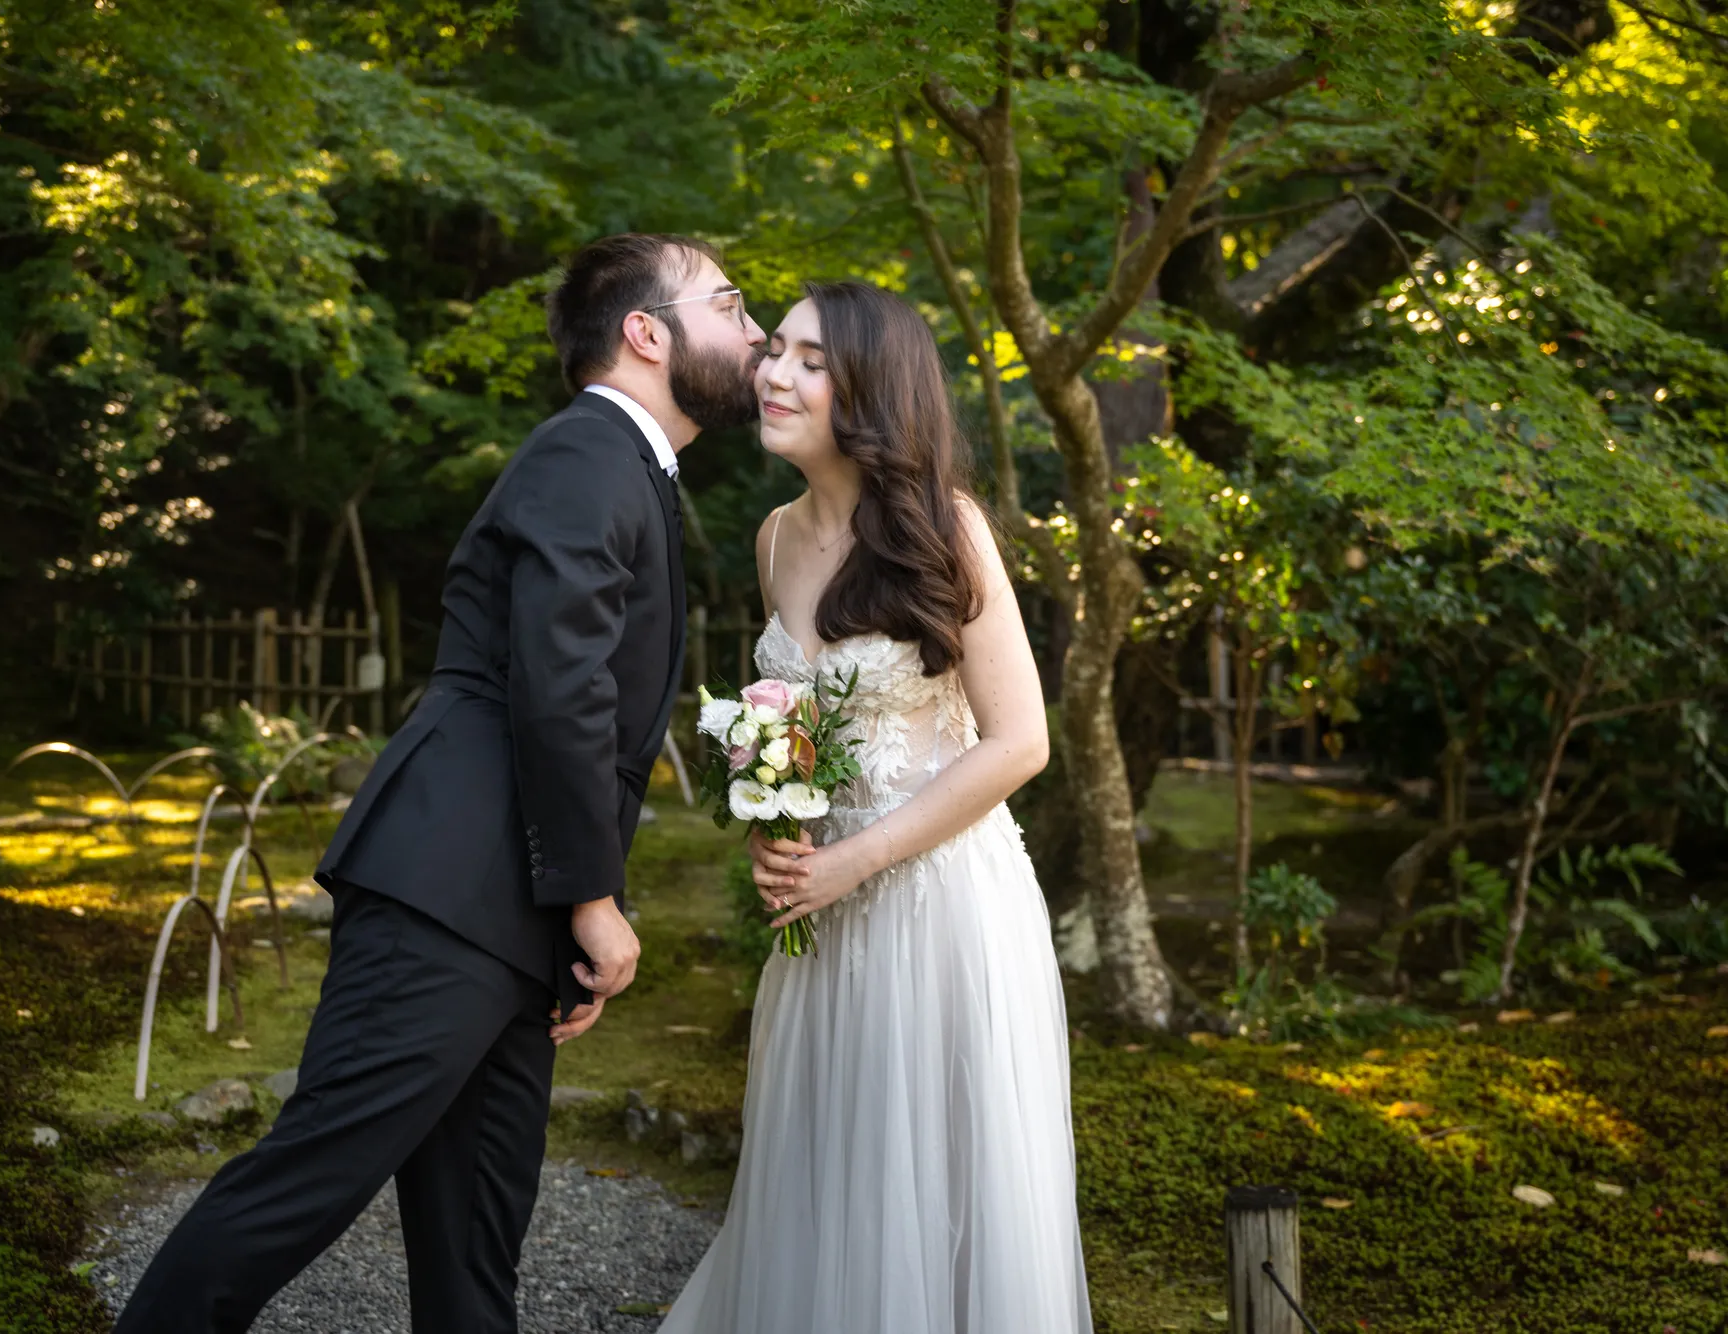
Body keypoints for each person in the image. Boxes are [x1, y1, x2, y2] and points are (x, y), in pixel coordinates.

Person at [112, 233, 766, 1334]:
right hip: (447, 886)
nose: (754, 333)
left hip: (509, 898)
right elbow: (558, 685)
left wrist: (568, 907)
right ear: (645, 334)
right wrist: (595, 898)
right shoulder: (585, 455)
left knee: (474, 1237)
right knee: (308, 1176)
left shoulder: (630, 469)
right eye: (732, 306)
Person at [657, 281, 1095, 1333]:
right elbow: (799, 716)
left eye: (810, 360)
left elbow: (1020, 740)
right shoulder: (772, 539)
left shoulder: (947, 528)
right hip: (820, 915)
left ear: (871, 386)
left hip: (944, 909)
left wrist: (860, 858)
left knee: (935, 1182)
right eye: (776, 352)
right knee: (827, 1170)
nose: (773, 374)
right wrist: (781, 817)